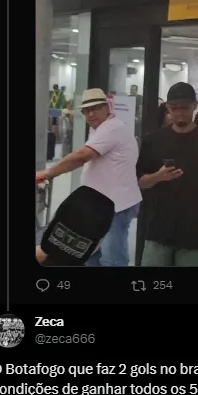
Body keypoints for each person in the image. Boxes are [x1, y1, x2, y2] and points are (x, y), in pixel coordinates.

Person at [36, 88, 141, 266]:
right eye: (86, 111)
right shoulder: (98, 128)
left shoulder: (112, 128)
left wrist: (48, 173)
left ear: (107, 107)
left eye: (96, 108)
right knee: (91, 255)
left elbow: (82, 156)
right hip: (99, 205)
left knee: (111, 259)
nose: (91, 114)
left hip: (114, 205)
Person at [137, 82, 198, 266]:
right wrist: (158, 177)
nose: (179, 113)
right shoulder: (153, 140)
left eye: (184, 108)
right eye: (174, 108)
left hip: (196, 230)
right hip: (159, 228)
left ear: (194, 105)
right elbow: (140, 182)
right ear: (167, 108)